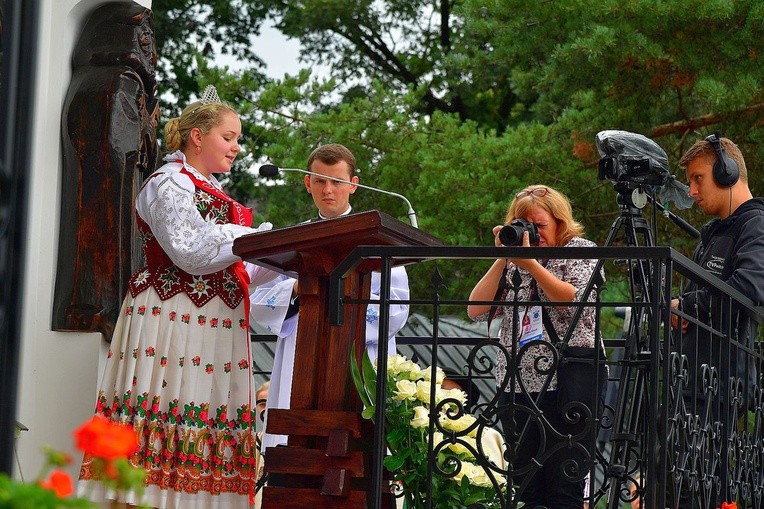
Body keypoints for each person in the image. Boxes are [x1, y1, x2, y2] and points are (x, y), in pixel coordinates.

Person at [78, 85, 276, 508]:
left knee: (200, 414)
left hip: (212, 326)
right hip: (173, 318)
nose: (237, 147)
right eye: (230, 136)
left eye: (238, 139)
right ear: (197, 136)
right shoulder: (168, 182)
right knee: (169, 403)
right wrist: (249, 238)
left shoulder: (220, 196)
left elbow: (233, 267)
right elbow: (190, 251)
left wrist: (279, 255)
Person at [250, 143, 410, 452]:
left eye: (337, 181)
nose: (328, 190)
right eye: (320, 180)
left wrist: (350, 309)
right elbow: (261, 302)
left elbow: (397, 306)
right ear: (307, 183)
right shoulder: (293, 241)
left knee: (361, 452)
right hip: (303, 358)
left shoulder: (379, 240)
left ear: (353, 184)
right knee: (297, 450)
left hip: (360, 358)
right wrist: (296, 290)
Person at [467, 184, 605, 509]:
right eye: (524, 225)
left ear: (560, 222)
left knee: (564, 486)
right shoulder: (515, 261)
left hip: (569, 382)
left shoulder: (581, 249)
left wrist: (531, 265)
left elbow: (571, 300)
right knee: (526, 488)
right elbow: (475, 309)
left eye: (539, 225)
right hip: (517, 387)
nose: (534, 233)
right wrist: (504, 257)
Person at [670, 134, 764, 507]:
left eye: (699, 178)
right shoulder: (714, 231)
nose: (692, 191)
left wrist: (686, 305)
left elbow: (749, 290)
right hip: (695, 378)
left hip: (720, 385)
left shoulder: (755, 224)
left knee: (698, 491)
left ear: (727, 173)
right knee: (681, 486)